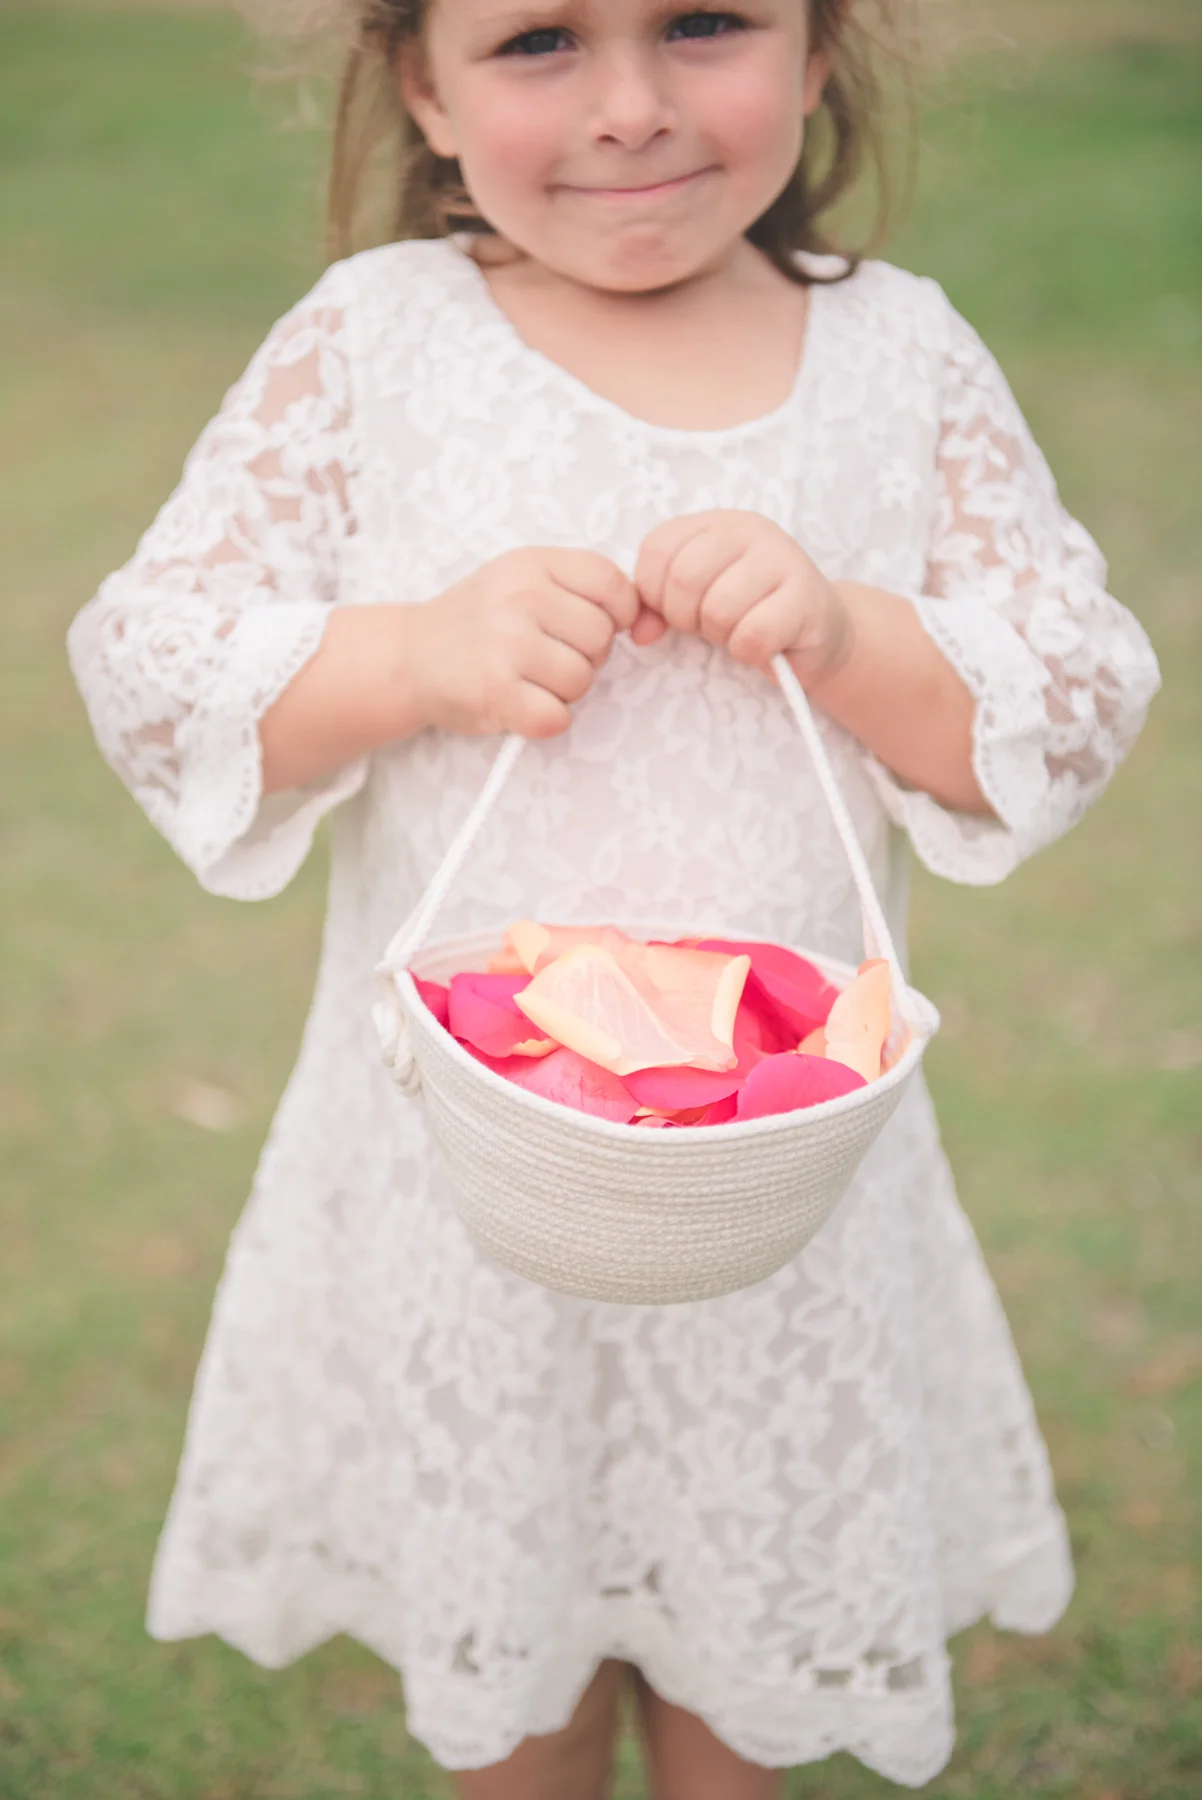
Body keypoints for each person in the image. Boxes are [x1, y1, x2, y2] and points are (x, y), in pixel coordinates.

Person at [67, 1, 1161, 1795]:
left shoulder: (895, 358)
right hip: (467, 1180)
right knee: (519, 1682)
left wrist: (849, 627)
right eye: (539, 44)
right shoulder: (376, 347)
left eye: (705, 24)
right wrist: (414, 650)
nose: (633, 107)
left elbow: (1060, 699)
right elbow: (158, 663)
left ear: (818, 53)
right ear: (420, 82)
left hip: (778, 1188)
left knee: (750, 1656)